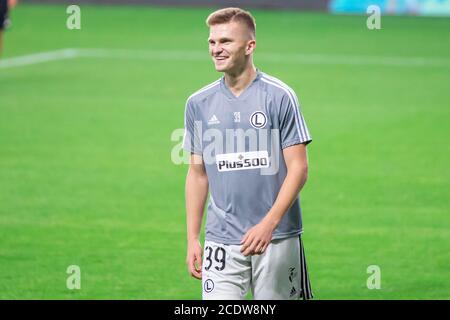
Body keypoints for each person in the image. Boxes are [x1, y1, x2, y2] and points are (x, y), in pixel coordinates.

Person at [183, 7, 313, 300]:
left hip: (277, 238)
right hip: (221, 240)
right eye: (212, 42)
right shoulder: (198, 103)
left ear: (249, 46)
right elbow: (197, 174)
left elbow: (299, 169)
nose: (216, 49)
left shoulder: (279, 96)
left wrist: (269, 224)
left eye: (226, 41)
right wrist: (193, 237)